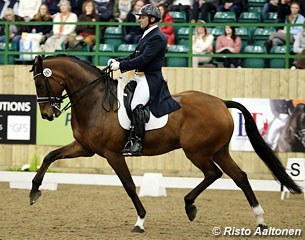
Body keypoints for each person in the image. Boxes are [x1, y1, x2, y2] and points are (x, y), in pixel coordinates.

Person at [108, 4, 181, 156]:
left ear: (152, 19)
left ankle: (137, 142)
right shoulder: (147, 34)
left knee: (136, 105)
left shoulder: (159, 37)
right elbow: (134, 56)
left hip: (150, 79)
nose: (139, 20)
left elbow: (144, 59)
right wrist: (117, 60)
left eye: (142, 17)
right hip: (137, 77)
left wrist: (121, 65)